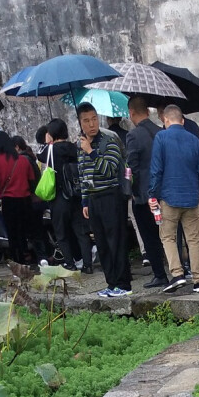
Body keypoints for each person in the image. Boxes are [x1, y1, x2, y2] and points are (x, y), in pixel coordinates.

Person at [149, 103, 199, 294]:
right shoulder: (194, 140)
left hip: (169, 196)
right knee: (193, 239)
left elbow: (156, 170)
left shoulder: (161, 137)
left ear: (165, 120)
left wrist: (152, 194)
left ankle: (178, 274)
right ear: (182, 120)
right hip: (191, 197)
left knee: (167, 236)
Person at [77, 102, 132, 299]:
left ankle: (123, 283)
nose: (92, 124)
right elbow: (83, 175)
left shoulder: (109, 140)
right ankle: (111, 283)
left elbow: (109, 169)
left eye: (94, 119)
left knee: (115, 240)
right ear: (81, 123)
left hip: (111, 195)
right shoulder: (80, 145)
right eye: (86, 120)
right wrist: (84, 201)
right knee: (101, 243)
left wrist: (91, 152)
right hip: (93, 199)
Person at [125, 96, 169, 289]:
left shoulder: (133, 136)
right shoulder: (161, 131)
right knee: (167, 234)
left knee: (149, 236)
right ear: (148, 111)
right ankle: (177, 269)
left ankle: (160, 274)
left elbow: (131, 167)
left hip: (143, 195)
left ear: (131, 113)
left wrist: (130, 190)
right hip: (163, 192)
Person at [44, 119, 92, 274]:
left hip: (59, 197)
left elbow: (40, 156)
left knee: (61, 233)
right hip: (77, 196)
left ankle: (69, 263)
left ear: (51, 133)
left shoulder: (50, 150)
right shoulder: (75, 147)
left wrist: (48, 142)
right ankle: (87, 265)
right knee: (81, 232)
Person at [0, 131, 39, 264]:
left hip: (9, 201)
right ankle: (27, 256)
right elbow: (32, 180)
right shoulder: (23, 160)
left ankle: (17, 260)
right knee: (24, 231)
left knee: (12, 232)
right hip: (25, 200)